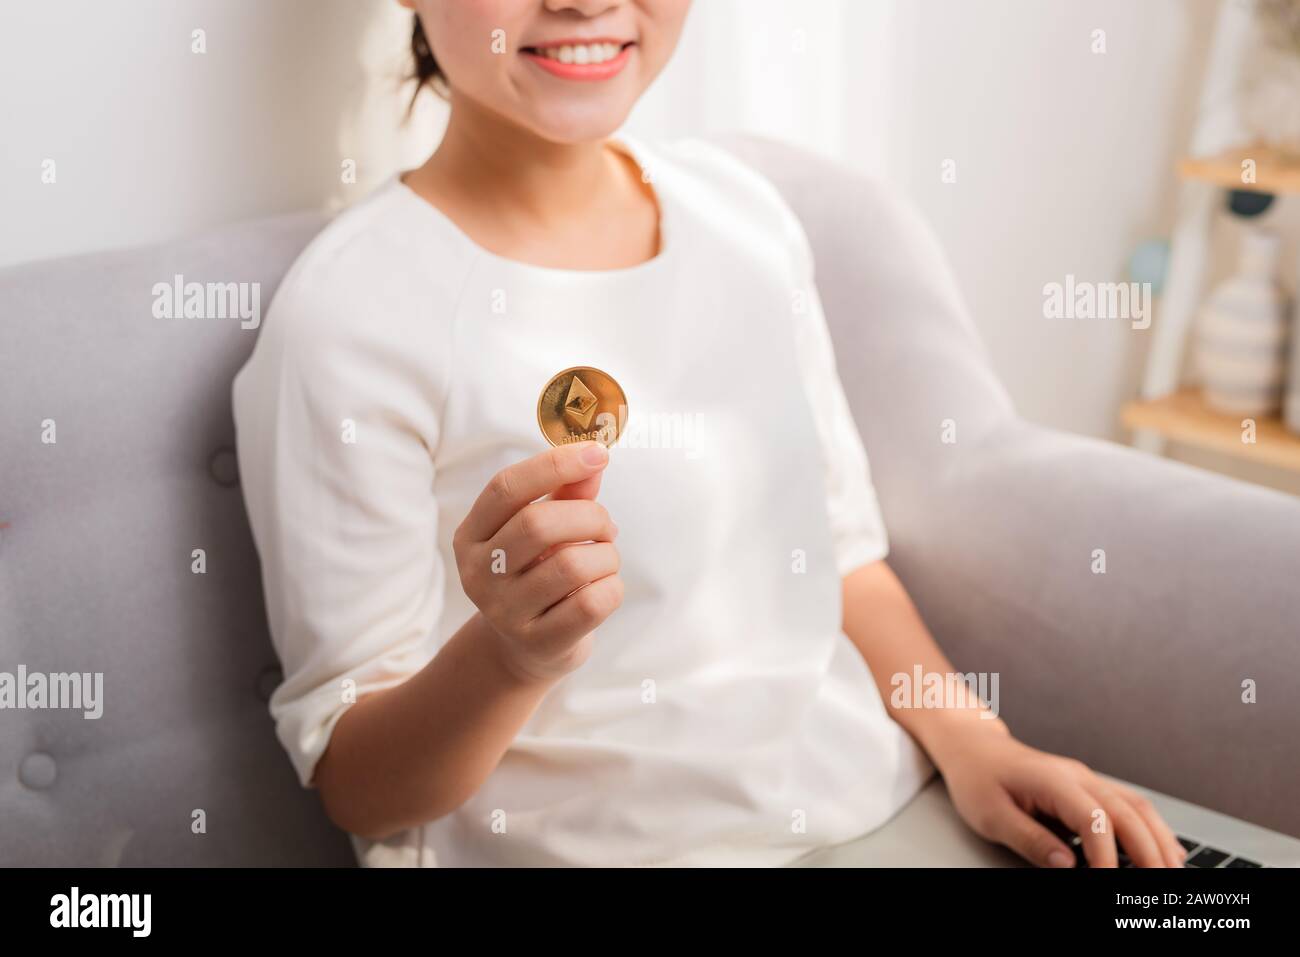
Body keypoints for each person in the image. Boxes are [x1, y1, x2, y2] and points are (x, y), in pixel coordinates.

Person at [231, 0, 1187, 868]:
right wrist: (511, 656)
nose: (582, 1)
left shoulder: (745, 219)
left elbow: (844, 558)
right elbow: (359, 784)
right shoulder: (353, 316)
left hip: (883, 819)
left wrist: (977, 744)